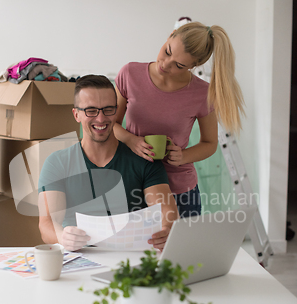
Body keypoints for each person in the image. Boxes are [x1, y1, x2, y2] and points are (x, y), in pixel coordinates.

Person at [113, 21, 245, 217]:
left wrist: (183, 156)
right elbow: (111, 124)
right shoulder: (130, 73)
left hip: (180, 191)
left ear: (194, 65)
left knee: (183, 248)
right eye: (167, 51)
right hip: (133, 183)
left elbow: (209, 143)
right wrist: (131, 140)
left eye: (180, 65)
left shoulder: (203, 93)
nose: (165, 65)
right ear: (170, 35)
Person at [38, 74, 179, 252]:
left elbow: (166, 211)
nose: (100, 118)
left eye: (108, 109)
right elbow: (47, 224)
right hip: (79, 258)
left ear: (117, 110)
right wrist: (62, 237)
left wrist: (167, 229)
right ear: (76, 115)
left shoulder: (144, 160)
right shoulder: (57, 163)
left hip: (132, 260)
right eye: (91, 110)